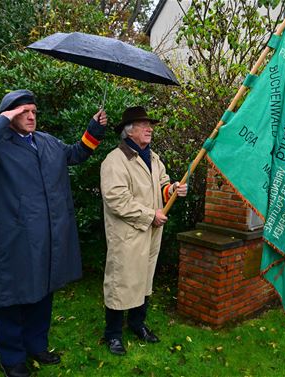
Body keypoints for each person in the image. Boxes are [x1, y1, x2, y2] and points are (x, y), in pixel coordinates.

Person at [0, 89, 106, 377]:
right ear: (9, 116)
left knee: (43, 293)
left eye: (33, 112)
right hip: (15, 239)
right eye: (22, 112)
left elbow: (76, 153)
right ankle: (11, 358)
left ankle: (36, 345)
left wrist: (94, 129)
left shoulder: (48, 142)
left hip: (49, 237)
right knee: (13, 297)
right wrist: (2, 119)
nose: (30, 117)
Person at [100, 106, 187, 356]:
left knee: (145, 279)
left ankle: (137, 324)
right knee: (121, 282)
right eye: (143, 124)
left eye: (150, 124)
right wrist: (150, 215)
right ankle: (113, 334)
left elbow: (161, 185)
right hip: (127, 235)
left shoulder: (153, 157)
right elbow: (116, 199)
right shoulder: (114, 161)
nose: (149, 128)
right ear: (129, 131)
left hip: (151, 232)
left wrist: (172, 190)